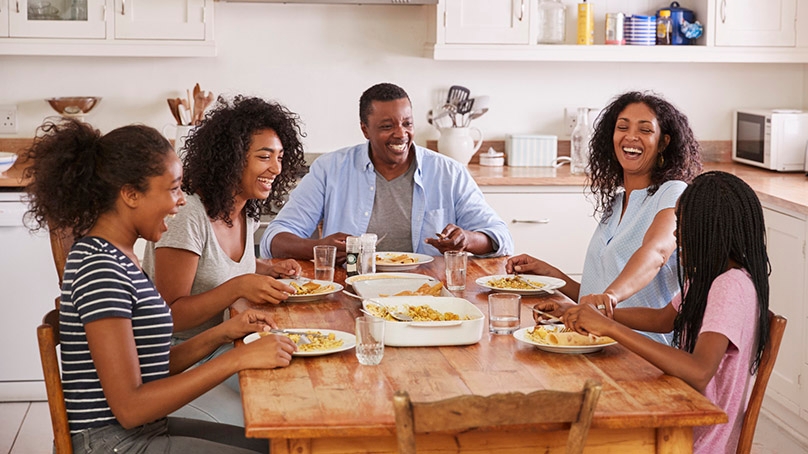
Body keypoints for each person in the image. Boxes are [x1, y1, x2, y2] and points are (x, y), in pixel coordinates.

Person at [24, 119, 297, 453]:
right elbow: (130, 408)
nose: (181, 201)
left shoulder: (120, 257)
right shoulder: (101, 269)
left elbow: (151, 366)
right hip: (115, 444)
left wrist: (225, 333)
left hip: (143, 432)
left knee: (279, 444)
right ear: (130, 194)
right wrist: (236, 360)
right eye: (172, 188)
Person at [559, 171, 770, 453]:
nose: (675, 234)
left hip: (696, 440)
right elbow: (663, 319)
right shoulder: (709, 278)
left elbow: (698, 372)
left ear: (709, 229)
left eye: (682, 224)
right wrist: (598, 313)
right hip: (681, 414)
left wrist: (610, 328)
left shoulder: (729, 286)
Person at [507, 90, 702, 344]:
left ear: (664, 143)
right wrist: (551, 274)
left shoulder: (673, 192)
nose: (631, 136)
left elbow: (657, 253)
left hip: (643, 353)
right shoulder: (617, 202)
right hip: (600, 342)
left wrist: (609, 296)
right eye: (622, 127)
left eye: (645, 130)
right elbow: (597, 300)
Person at [259, 82, 513, 261]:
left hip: (430, 292)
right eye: (386, 126)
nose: (401, 133)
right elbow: (274, 240)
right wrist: (318, 247)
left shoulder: (449, 173)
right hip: (352, 290)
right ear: (365, 130)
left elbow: (501, 237)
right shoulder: (330, 169)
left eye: (407, 123)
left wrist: (467, 240)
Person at [144, 95, 306, 343]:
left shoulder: (244, 207)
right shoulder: (187, 214)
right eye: (264, 157)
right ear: (232, 158)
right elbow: (170, 316)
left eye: (280, 157)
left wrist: (268, 269)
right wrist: (239, 287)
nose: (276, 168)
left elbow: (215, 266)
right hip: (182, 354)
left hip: (229, 340)